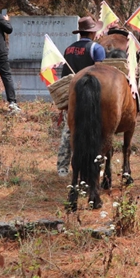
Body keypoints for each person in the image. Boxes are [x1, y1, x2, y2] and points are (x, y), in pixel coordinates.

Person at [56, 16, 107, 176]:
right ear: (92, 33)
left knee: (69, 131)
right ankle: (96, 165)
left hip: (73, 94)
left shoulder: (68, 49)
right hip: (91, 96)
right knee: (95, 130)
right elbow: (101, 74)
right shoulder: (96, 49)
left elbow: (65, 75)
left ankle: (62, 167)